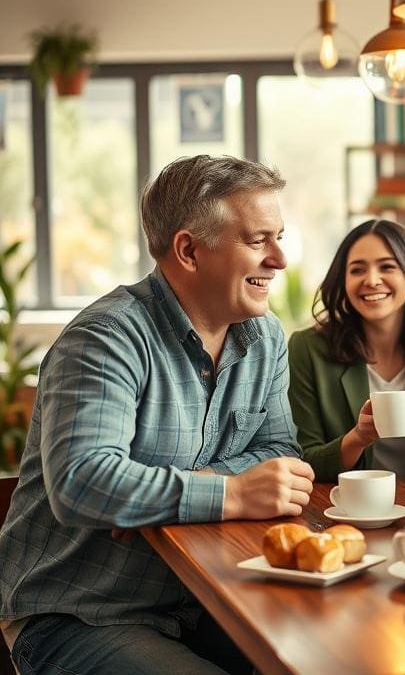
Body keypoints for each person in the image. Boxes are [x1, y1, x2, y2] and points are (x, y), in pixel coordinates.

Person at [0, 154, 315, 675]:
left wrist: (172, 490)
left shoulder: (266, 339)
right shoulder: (105, 338)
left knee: (322, 657)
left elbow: (280, 455)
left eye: (279, 236)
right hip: (78, 613)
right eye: (259, 240)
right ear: (189, 250)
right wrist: (232, 492)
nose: (280, 259)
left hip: (203, 596)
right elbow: (83, 482)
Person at [288, 219, 405, 481]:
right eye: (357, 270)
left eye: (387, 267)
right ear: (343, 279)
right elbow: (303, 461)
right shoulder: (308, 347)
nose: (372, 280)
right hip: (344, 506)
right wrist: (358, 438)